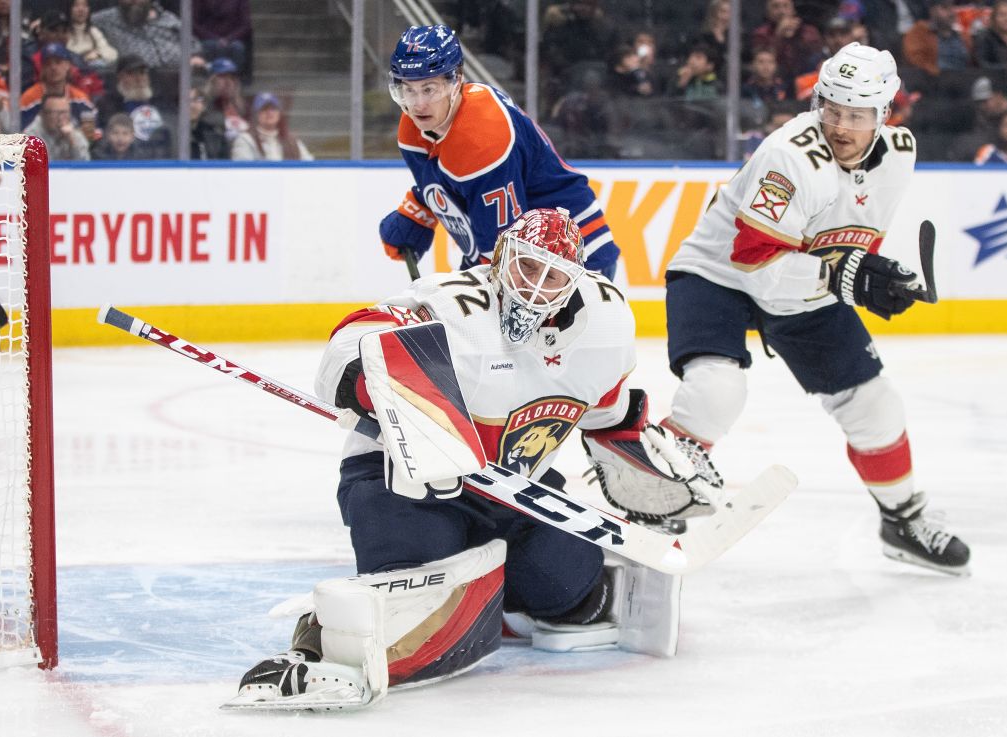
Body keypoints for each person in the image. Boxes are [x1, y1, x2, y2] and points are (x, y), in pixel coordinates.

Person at [231, 208, 713, 710]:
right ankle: (322, 636)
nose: (534, 287)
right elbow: (354, 337)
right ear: (502, 257)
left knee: (571, 593)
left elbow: (607, 410)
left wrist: (637, 457)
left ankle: (495, 597)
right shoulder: (454, 305)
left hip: (516, 483)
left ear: (576, 284)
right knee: (415, 590)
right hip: (403, 479)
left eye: (553, 278)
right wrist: (378, 387)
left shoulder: (605, 323)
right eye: (526, 267)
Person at [659, 42, 971, 576]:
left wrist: (874, 277)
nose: (842, 126)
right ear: (818, 103)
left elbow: (854, 236)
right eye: (833, 109)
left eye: (857, 115)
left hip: (801, 288)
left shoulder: (899, 152)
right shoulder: (790, 155)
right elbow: (752, 257)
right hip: (719, 276)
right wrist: (848, 276)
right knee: (715, 393)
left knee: (876, 405)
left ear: (884, 115)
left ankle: (902, 519)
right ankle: (650, 498)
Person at [380, 24, 620, 278]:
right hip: (521, 254)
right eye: (408, 90)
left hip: (571, 255)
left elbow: (503, 253)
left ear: (456, 80)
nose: (418, 104)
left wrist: (466, 288)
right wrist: (419, 209)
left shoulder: (483, 135)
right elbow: (447, 178)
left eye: (429, 89)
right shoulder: (413, 128)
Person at [230, 92, 313, 161]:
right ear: (256, 115)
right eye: (264, 109)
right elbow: (242, 172)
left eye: (273, 109)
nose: (269, 112)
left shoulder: (291, 141)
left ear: (279, 113)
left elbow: (309, 164)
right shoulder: (245, 139)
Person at [23, 92, 91, 161]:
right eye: (56, 113)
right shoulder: (31, 136)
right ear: (43, 114)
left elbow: (85, 163)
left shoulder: (73, 132)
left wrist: (71, 141)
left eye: (64, 112)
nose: (61, 117)